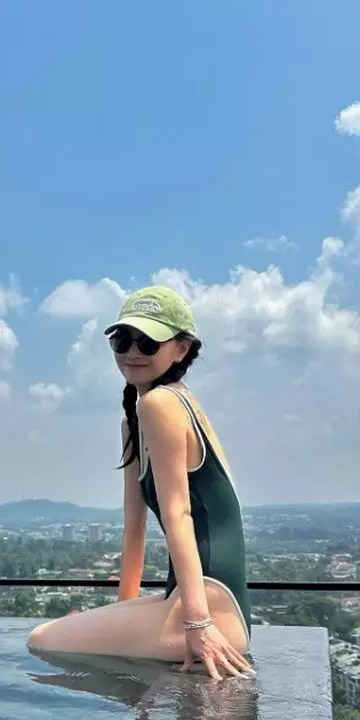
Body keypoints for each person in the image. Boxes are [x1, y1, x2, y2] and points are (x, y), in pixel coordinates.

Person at [28, 285, 255, 681]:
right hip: (197, 600)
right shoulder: (138, 418)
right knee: (70, 634)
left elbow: (179, 514)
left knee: (42, 639)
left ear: (181, 349)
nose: (133, 351)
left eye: (149, 342)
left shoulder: (160, 404)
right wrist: (122, 612)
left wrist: (198, 625)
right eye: (122, 339)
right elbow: (134, 527)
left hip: (209, 609)